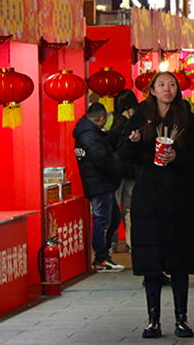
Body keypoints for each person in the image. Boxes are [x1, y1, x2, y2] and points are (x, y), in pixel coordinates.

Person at [117, 72, 194, 338]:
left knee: (180, 261)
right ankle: (153, 320)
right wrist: (133, 144)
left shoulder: (187, 117)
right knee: (151, 263)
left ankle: (182, 320)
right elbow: (123, 154)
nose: (167, 89)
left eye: (171, 85)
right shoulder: (141, 117)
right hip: (149, 197)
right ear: (152, 90)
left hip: (180, 198)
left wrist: (177, 156)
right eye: (161, 85)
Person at [73, 102, 125, 271]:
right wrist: (118, 171)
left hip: (100, 183)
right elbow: (102, 161)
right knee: (102, 220)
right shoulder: (90, 136)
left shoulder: (88, 133)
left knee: (113, 218)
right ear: (102, 119)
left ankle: (103, 255)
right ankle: (101, 258)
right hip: (100, 184)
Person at [107, 88, 140, 252]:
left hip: (118, 171)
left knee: (114, 209)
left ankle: (112, 243)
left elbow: (110, 143)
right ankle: (131, 242)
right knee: (129, 209)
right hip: (133, 171)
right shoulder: (139, 119)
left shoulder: (118, 121)